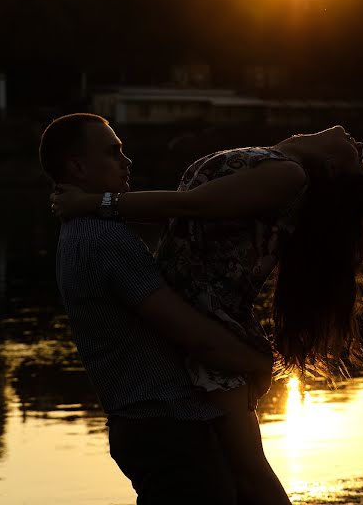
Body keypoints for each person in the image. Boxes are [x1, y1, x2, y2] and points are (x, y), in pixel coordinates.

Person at [52, 125, 363, 505]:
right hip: (200, 337)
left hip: (215, 327)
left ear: (329, 167)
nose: (358, 142)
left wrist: (95, 203)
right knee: (240, 481)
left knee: (252, 479)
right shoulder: (272, 160)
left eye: (357, 158)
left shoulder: (288, 174)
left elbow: (189, 206)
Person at [39, 113, 275, 505]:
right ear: (77, 166)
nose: (126, 161)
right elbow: (192, 334)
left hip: (150, 424)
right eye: (113, 153)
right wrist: (258, 363)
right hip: (165, 427)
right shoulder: (103, 238)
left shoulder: (83, 229)